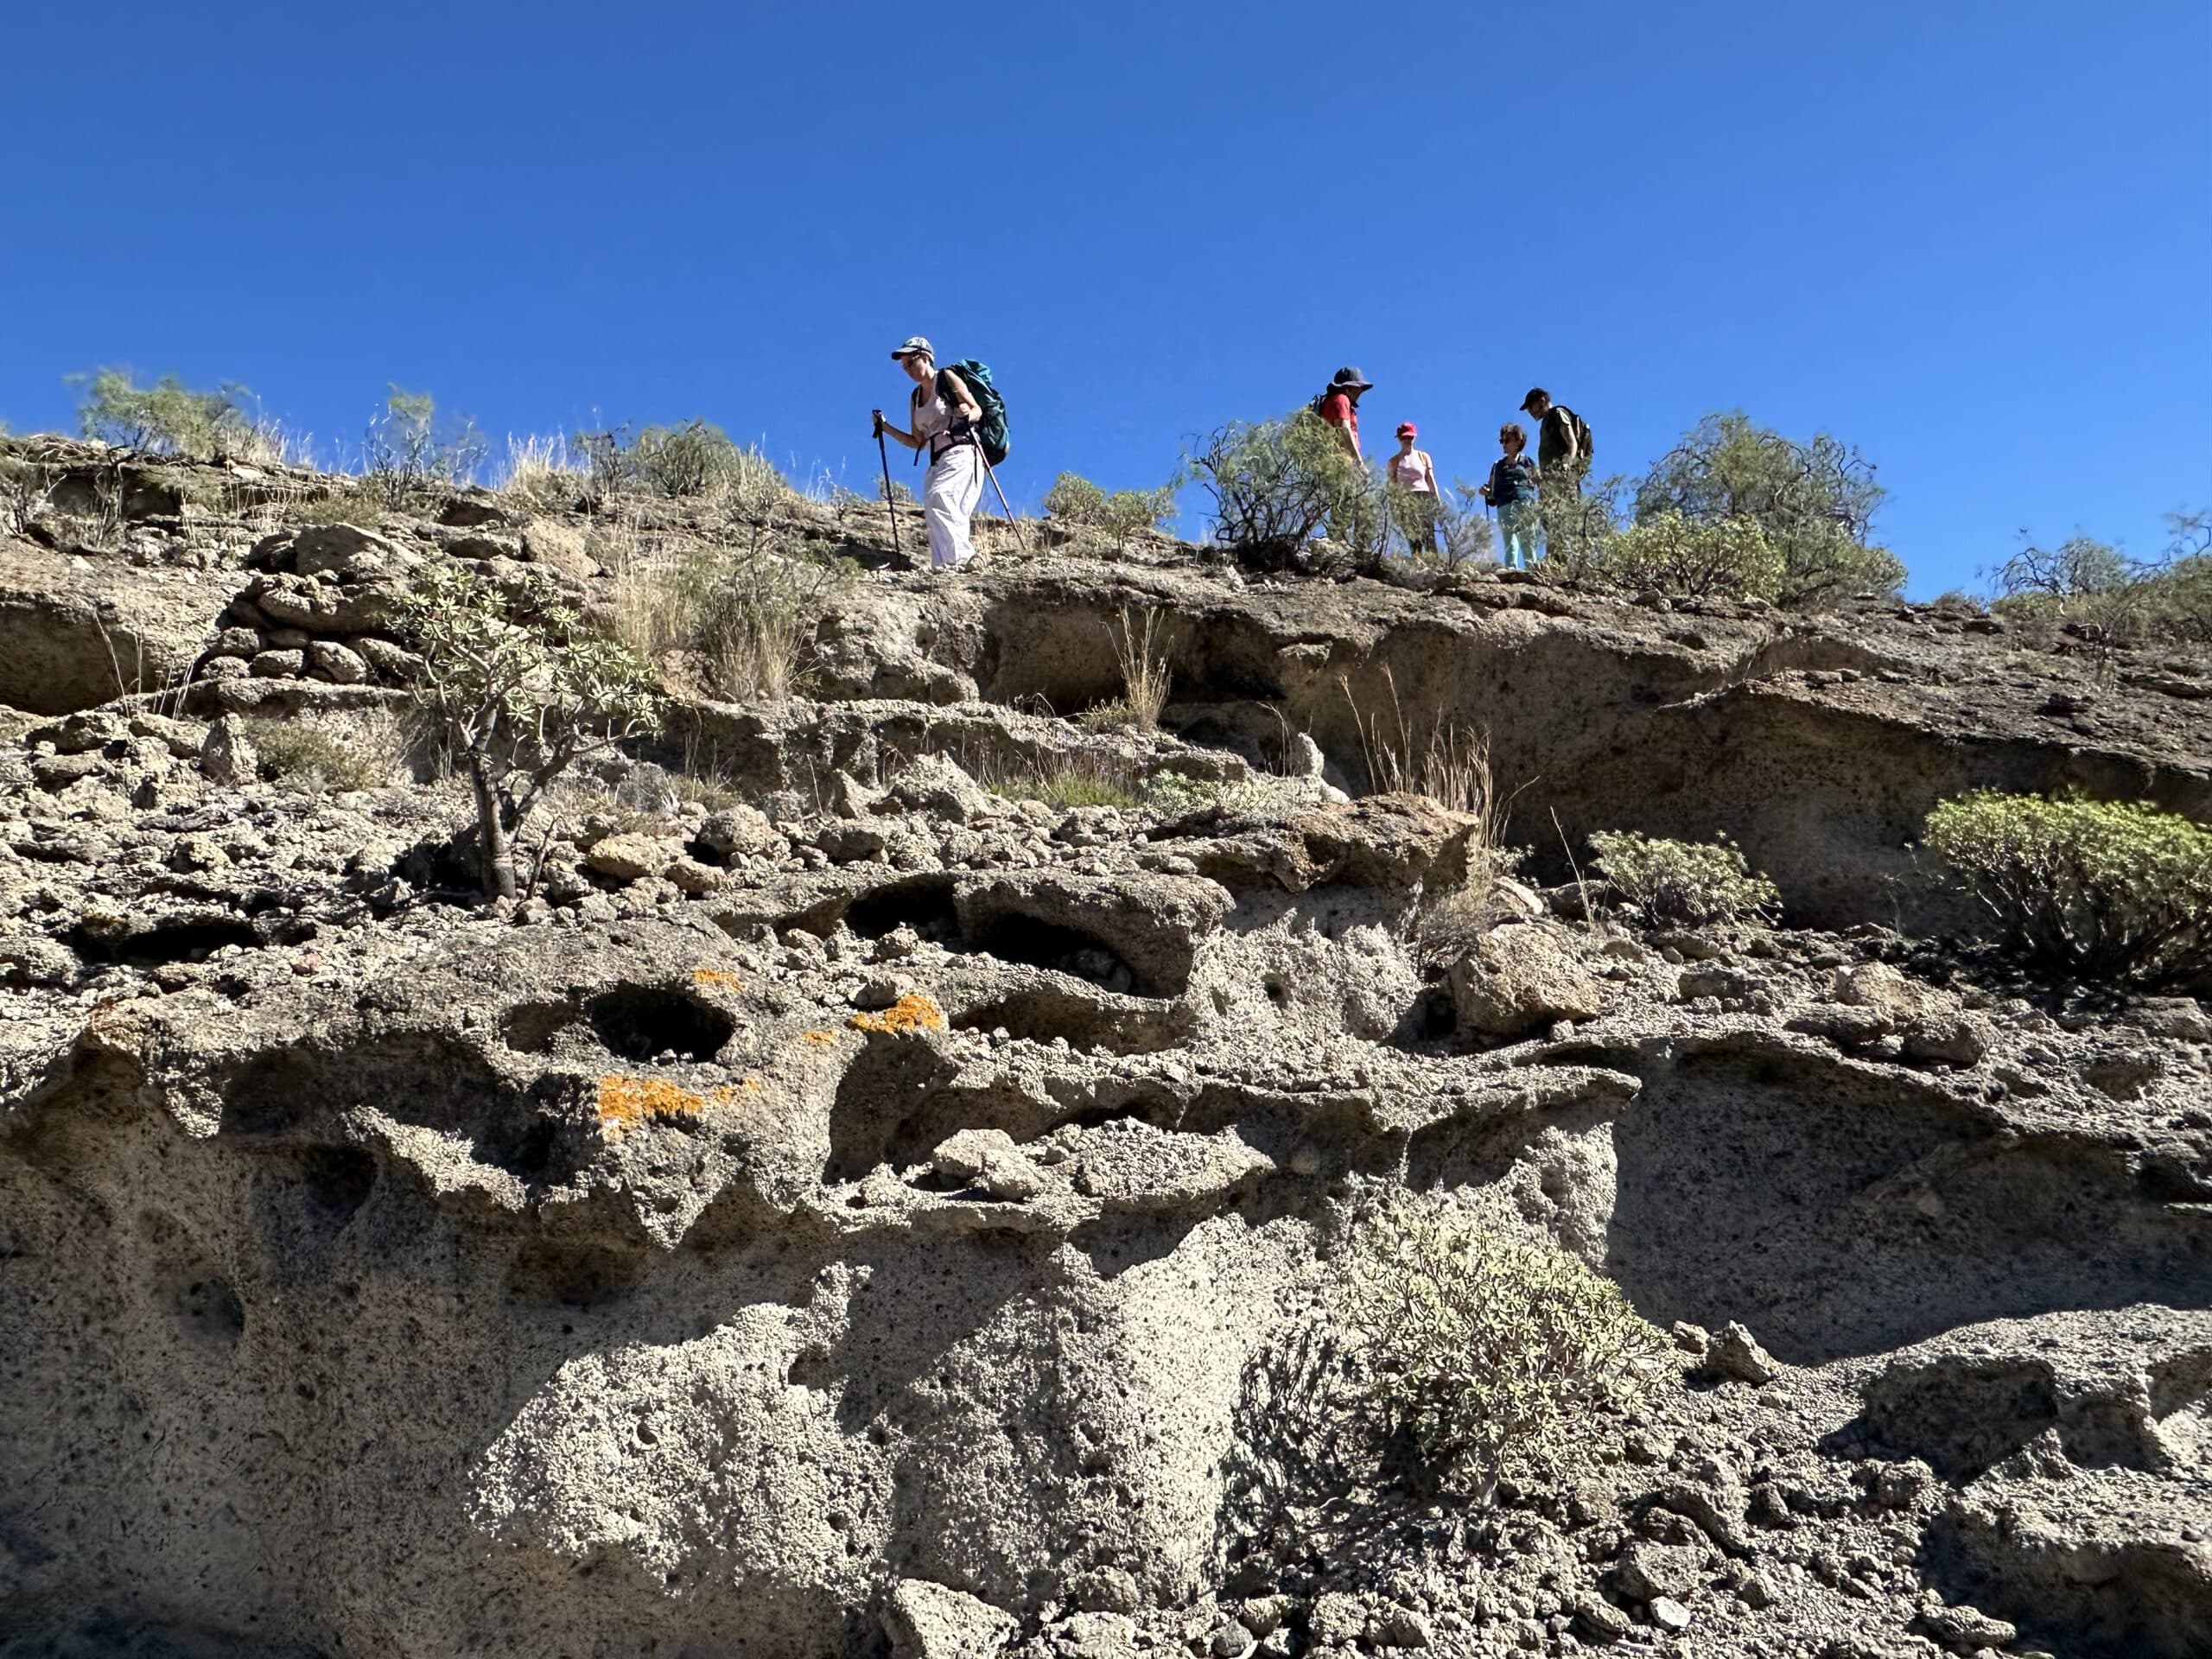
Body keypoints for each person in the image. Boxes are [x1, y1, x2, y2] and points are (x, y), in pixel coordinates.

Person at [873, 336, 984, 570]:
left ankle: (961, 559)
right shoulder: (915, 397)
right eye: (904, 366)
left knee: (940, 497)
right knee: (937, 508)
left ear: (926, 357)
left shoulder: (946, 378)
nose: (908, 370)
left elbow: (977, 410)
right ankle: (944, 567)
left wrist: (967, 414)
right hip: (936, 461)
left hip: (962, 451)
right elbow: (917, 442)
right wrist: (885, 427)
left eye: (910, 362)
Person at [1479, 422, 1542, 570]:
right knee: (1510, 542)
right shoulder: (1498, 466)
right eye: (1502, 440)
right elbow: (1491, 488)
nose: (1504, 444)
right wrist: (1485, 491)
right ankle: (1510, 571)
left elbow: (1539, 481)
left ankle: (1533, 571)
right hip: (1504, 506)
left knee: (1528, 541)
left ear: (1518, 441)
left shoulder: (1527, 462)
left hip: (1525, 504)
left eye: (1507, 440)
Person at [1387, 421, 1442, 556]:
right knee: (1413, 537)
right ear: (1399, 438)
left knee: (1429, 534)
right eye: (1404, 437)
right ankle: (1417, 562)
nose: (1407, 440)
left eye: (1410, 437)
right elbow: (1392, 486)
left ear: (1414, 437)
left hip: (1424, 496)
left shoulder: (1423, 457)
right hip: (1406, 499)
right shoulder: (1394, 461)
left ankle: (1433, 562)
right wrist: (1394, 505)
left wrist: (1437, 499)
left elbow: (1430, 478)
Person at [1518, 387, 1587, 493]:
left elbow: (1572, 443)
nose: (1530, 411)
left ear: (1542, 400)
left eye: (1531, 406)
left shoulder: (1557, 413)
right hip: (1551, 483)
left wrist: (1566, 463)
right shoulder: (1546, 422)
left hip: (1564, 479)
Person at [1317, 366, 1371, 461]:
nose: (1360, 391)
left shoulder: (1331, 401)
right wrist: (1359, 462)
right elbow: (1344, 430)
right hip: (1338, 460)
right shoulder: (1342, 400)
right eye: (1358, 388)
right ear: (1347, 389)